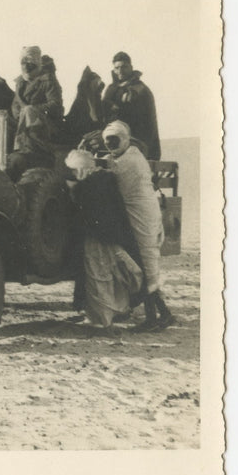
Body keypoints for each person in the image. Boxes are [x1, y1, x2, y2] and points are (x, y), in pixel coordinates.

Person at [102, 120, 174, 330]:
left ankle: (154, 318)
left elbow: (112, 177)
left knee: (146, 266)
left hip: (143, 218)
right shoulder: (130, 154)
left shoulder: (130, 162)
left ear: (124, 140)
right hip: (145, 215)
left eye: (114, 141)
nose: (110, 146)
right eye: (108, 142)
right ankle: (163, 314)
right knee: (145, 267)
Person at [65, 149, 144, 329]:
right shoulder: (106, 179)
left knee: (98, 277)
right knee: (114, 275)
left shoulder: (87, 186)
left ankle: (102, 318)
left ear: (80, 170)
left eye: (74, 171)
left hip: (97, 239)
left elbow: (83, 215)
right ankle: (118, 311)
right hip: (114, 236)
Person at [7, 45, 65, 180]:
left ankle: (26, 149)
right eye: (23, 62)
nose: (26, 66)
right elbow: (15, 104)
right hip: (22, 122)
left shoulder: (48, 80)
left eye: (30, 63)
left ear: (37, 63)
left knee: (29, 110)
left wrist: (33, 110)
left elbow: (55, 105)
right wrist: (17, 113)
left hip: (45, 125)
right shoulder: (20, 82)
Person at [101, 51, 161, 162]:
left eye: (124, 67)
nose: (120, 71)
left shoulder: (140, 89)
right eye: (117, 68)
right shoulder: (111, 89)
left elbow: (143, 120)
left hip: (137, 141)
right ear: (114, 69)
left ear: (131, 67)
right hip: (114, 139)